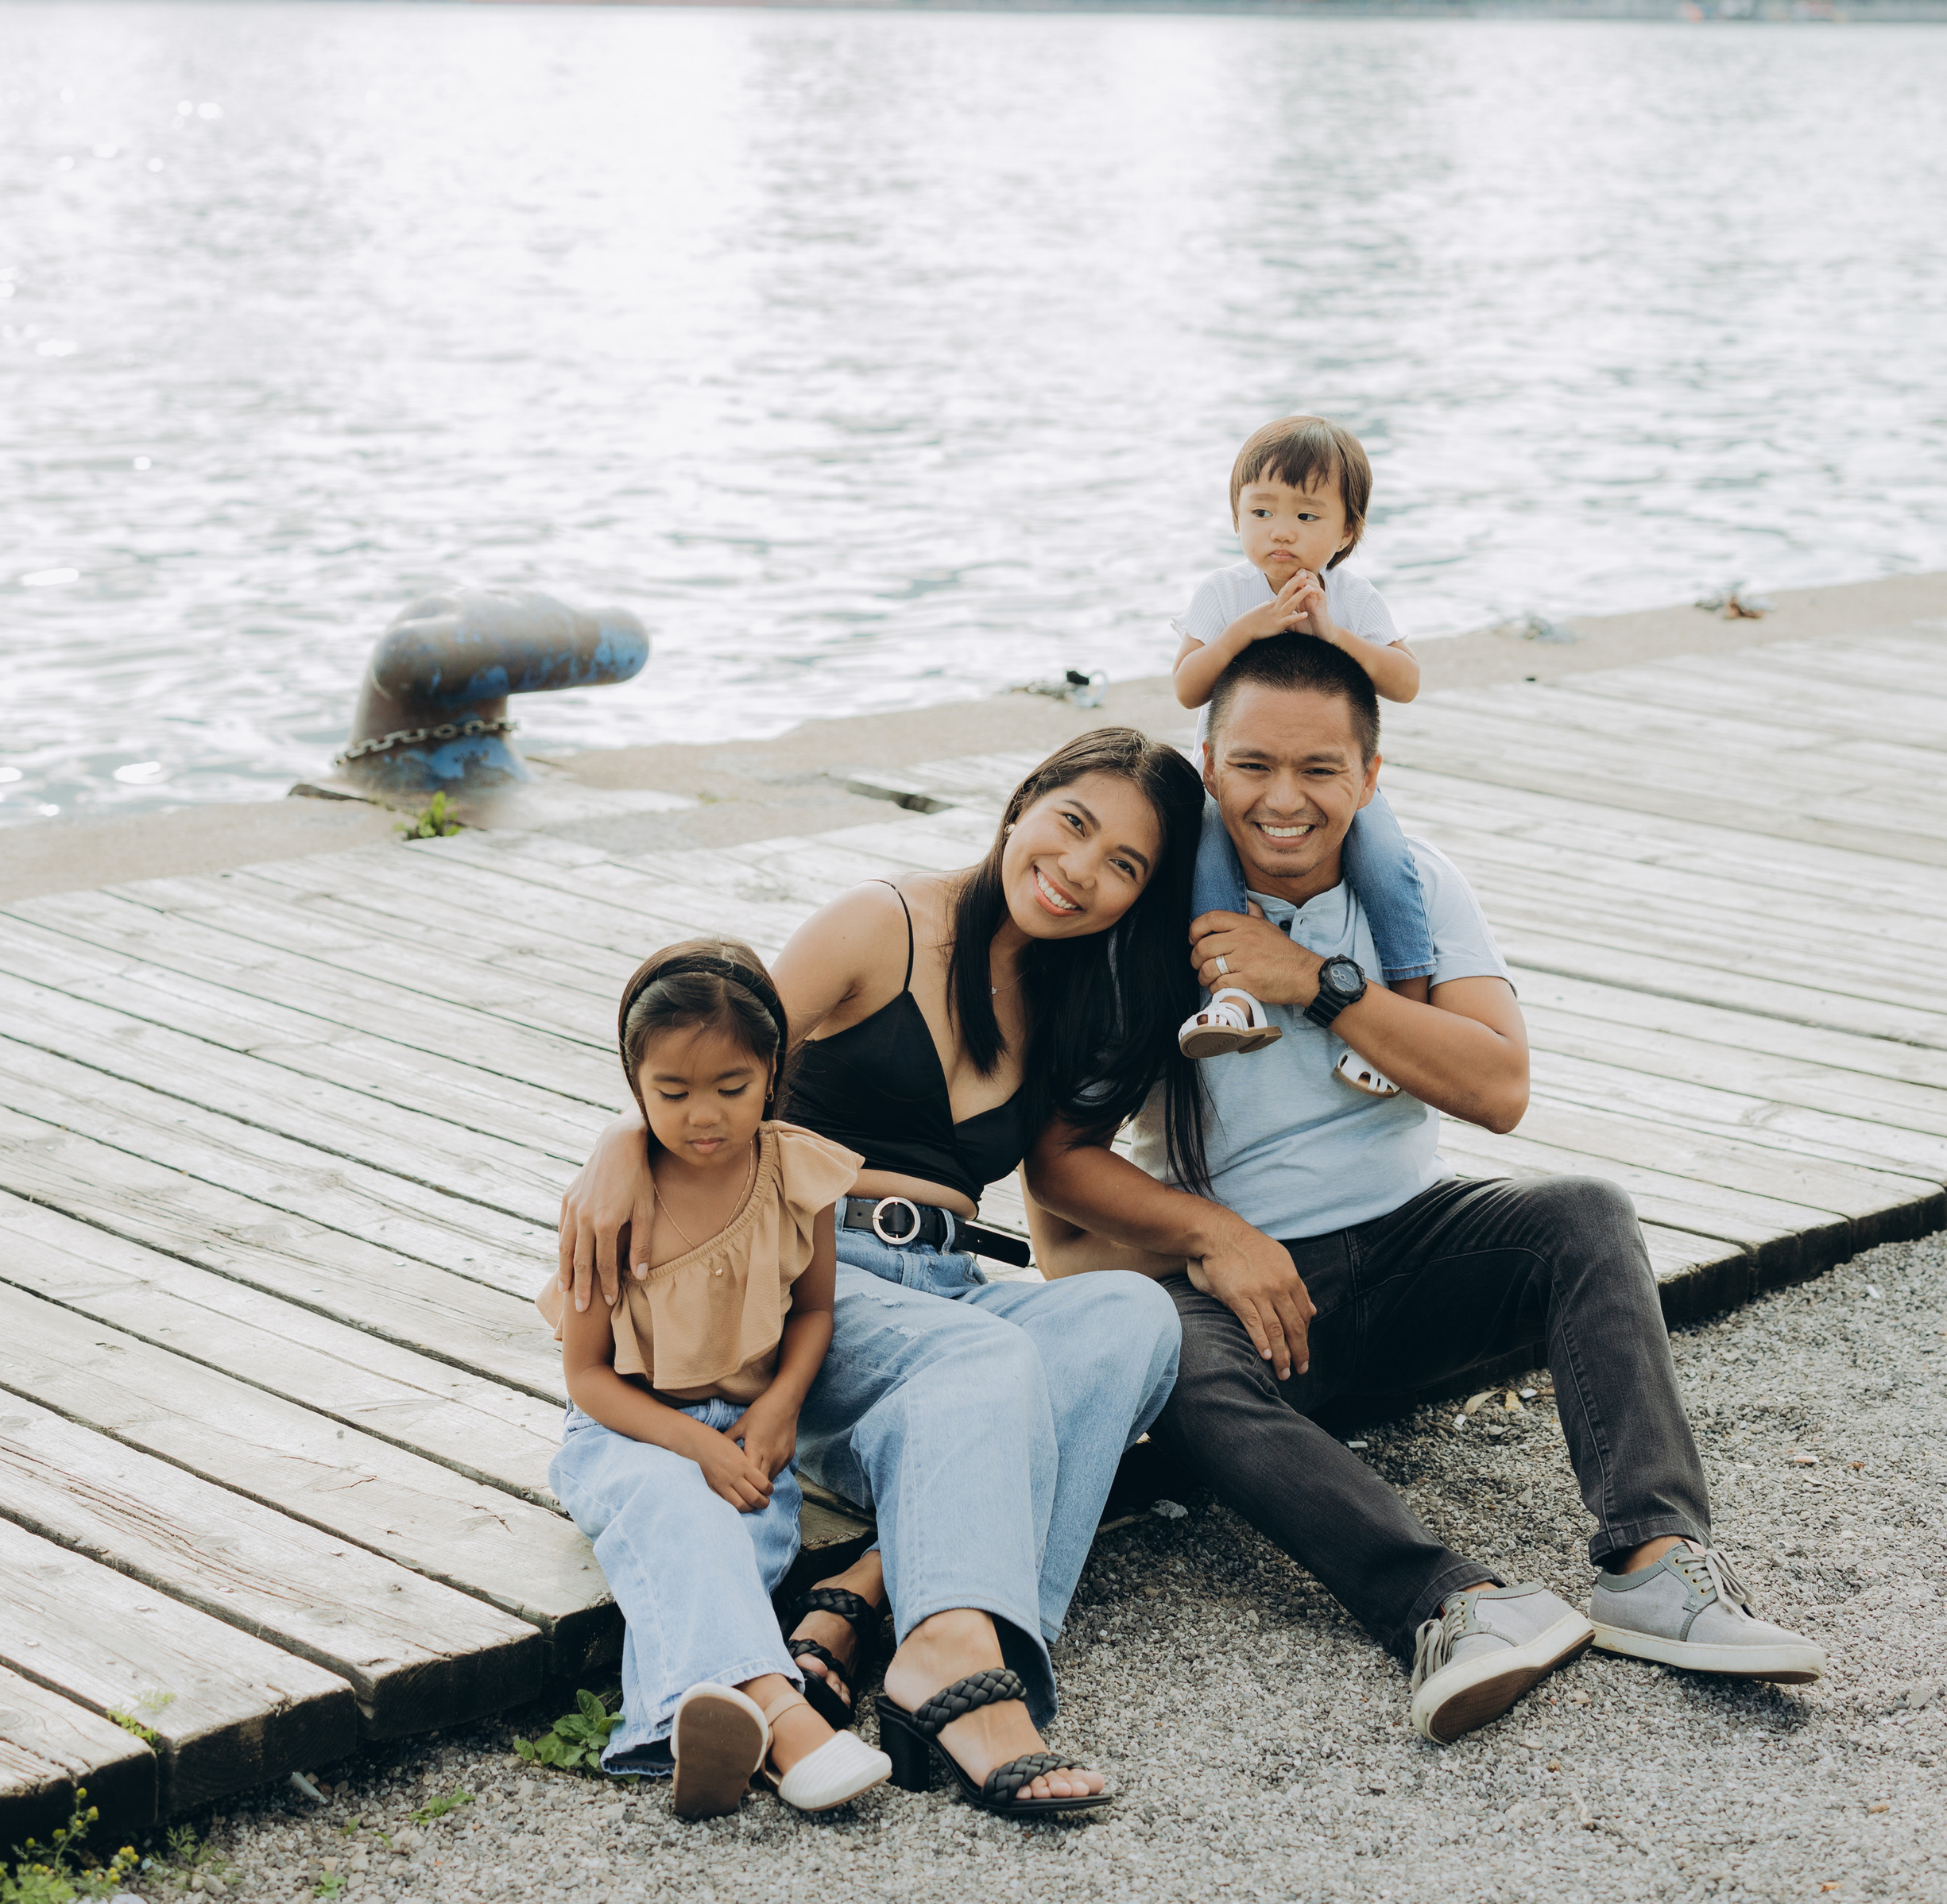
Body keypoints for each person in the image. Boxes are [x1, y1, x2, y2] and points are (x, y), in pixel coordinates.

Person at [1028, 633, 1825, 1743]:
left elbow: (1499, 1087)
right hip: (1249, 1302)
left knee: (1585, 1215)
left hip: (1412, 1251)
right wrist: (1213, 1235)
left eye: (1320, 770)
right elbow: (1058, 1158)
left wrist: (1314, 983)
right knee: (1164, 1355)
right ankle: (1452, 1606)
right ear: (1209, 765)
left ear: (1369, 775)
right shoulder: (1158, 909)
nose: (1285, 799)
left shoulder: (1412, 884)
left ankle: (1657, 1567)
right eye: (1254, 765)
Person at [556, 729, 1206, 1821]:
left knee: (1133, 1318)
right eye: (1074, 823)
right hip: (811, 1285)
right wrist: (617, 1149)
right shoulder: (881, 924)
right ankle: (958, 1664)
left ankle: (874, 1605)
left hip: (947, 1298)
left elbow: (1056, 1189)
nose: (1081, 870)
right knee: (988, 1357)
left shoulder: (1064, 998)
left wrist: (1217, 1240)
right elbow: (715, 1052)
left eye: (1125, 866)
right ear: (1023, 801)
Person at [541, 939, 893, 1817]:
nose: (704, 1116)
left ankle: (694, 1730)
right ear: (635, 1087)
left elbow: (812, 1311)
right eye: (671, 1094)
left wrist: (779, 1407)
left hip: (746, 1437)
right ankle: (785, 1719)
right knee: (675, 1508)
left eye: (731, 1089)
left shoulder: (797, 1176)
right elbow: (587, 1377)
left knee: (735, 1545)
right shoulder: (612, 1206)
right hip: (630, 1429)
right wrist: (693, 1442)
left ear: (771, 1072)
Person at [1173, 417, 1430, 1078]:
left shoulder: (1352, 597)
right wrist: (1241, 634)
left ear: (1347, 531)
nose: (1280, 531)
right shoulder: (1225, 593)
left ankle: (1409, 1007)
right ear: (1237, 518)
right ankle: (1231, 997)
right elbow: (1187, 687)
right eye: (1261, 511)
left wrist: (1335, 634)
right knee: (1207, 864)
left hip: (1332, 785)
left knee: (1389, 862)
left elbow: (1405, 681)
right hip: (1227, 787)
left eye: (1307, 514)